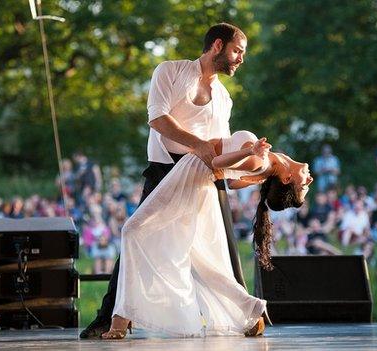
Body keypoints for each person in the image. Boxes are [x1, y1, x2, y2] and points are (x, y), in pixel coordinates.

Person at [79, 23, 248, 339]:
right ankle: (110, 318)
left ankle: (247, 314)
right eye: (237, 51)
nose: (240, 59)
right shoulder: (169, 71)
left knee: (220, 249)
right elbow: (157, 118)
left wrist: (244, 177)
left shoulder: (224, 98)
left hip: (202, 180)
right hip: (164, 172)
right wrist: (197, 145)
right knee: (136, 237)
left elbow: (221, 148)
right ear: (217, 45)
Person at [105, 130, 312, 338]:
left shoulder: (260, 161)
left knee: (132, 230)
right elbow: (231, 180)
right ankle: (248, 308)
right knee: (201, 258)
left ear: (287, 179)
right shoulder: (269, 163)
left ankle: (121, 318)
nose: (310, 180)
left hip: (191, 176)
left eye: (303, 186)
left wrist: (250, 151)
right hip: (200, 183)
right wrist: (255, 177)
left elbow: (216, 163)